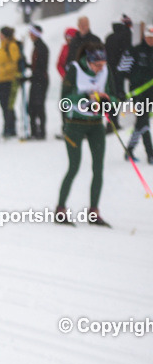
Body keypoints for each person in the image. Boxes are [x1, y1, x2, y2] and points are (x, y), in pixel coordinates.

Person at [56, 44, 113, 227]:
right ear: (89, 61)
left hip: (96, 125)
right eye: (97, 65)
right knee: (74, 167)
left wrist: (108, 100)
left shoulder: (105, 71)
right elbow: (65, 100)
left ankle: (94, 212)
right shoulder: (75, 70)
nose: (100, 69)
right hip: (75, 125)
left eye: (103, 64)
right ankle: (60, 210)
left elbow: (113, 95)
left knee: (98, 168)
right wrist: (87, 98)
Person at [118, 25, 153, 163]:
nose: (151, 40)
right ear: (144, 37)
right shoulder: (133, 51)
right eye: (149, 38)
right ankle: (150, 154)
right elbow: (121, 71)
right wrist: (120, 90)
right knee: (143, 120)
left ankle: (130, 150)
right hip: (137, 93)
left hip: (151, 93)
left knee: (141, 122)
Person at [105, 15, 133, 132]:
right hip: (121, 70)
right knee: (118, 96)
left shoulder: (109, 37)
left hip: (109, 71)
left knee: (111, 96)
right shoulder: (128, 35)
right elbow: (129, 53)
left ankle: (111, 122)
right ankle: (114, 123)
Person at [0, 26, 21, 137]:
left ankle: (10, 128)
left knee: (8, 105)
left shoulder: (11, 46)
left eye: (0, 34)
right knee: (4, 105)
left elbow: (15, 63)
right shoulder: (2, 47)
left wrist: (3, 71)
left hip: (8, 80)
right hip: (0, 81)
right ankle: (8, 127)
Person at [25, 25, 49, 140]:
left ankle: (41, 132)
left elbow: (41, 68)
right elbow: (36, 66)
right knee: (32, 107)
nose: (30, 35)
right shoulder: (37, 47)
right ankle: (35, 131)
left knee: (38, 106)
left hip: (40, 81)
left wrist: (30, 78)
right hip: (37, 80)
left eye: (31, 33)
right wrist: (27, 65)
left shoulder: (41, 48)